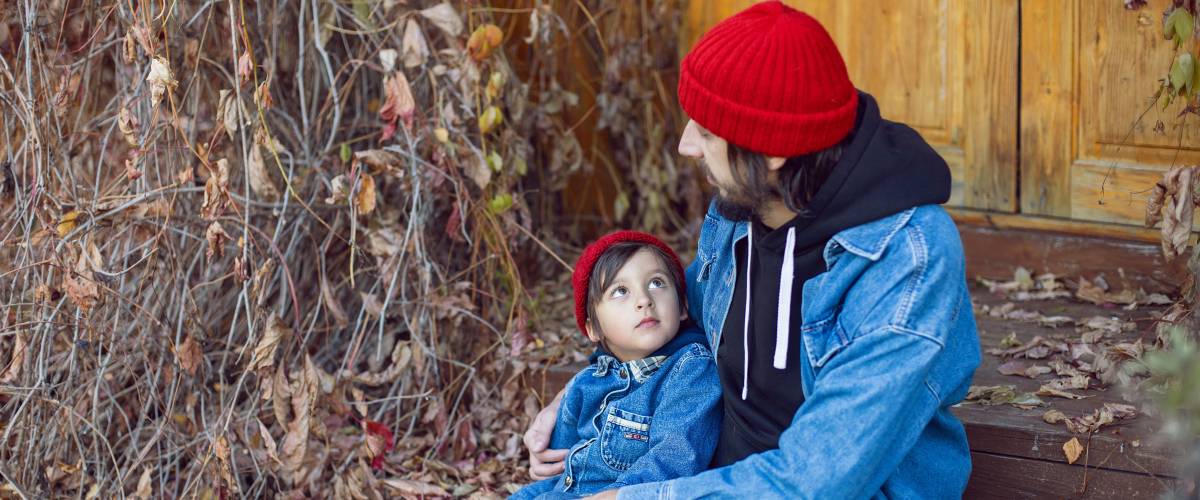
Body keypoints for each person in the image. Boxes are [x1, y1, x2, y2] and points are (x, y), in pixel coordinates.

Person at [524, 2, 982, 498]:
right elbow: (678, 319)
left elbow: (821, 479)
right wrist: (575, 400)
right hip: (711, 476)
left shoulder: (904, 258)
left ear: (771, 151)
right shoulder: (742, 207)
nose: (686, 145)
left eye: (705, 130)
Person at [511, 231, 721, 499]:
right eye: (620, 291)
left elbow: (675, 459)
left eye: (657, 283)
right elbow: (558, 461)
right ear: (592, 329)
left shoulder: (691, 370)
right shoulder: (588, 381)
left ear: (682, 307)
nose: (644, 300)